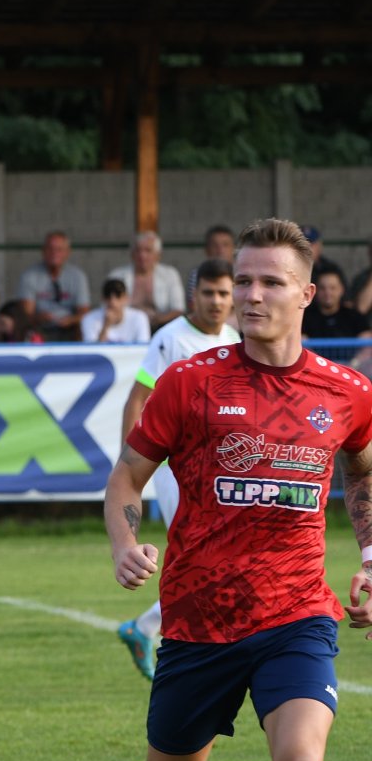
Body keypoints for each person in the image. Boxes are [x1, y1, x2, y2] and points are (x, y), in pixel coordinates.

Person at [64, 218, 372, 761]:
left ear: (308, 293)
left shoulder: (347, 393)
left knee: (303, 760)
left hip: (298, 612)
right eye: (245, 280)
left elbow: (364, 481)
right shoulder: (193, 382)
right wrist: (126, 539)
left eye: (271, 282)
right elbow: (126, 476)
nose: (252, 294)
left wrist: (370, 560)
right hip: (200, 621)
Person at [110, 258, 242, 682]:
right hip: (174, 466)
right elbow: (138, 396)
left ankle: (145, 628)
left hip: (222, 469)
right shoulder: (171, 339)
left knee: (218, 557)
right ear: (194, 295)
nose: (217, 301)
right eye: (209, 293)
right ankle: (179, 640)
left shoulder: (236, 337)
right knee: (201, 555)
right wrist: (128, 460)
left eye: (224, 293)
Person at [17, 231, 91, 339]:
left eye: (59, 249)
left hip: (70, 328)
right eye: (50, 249)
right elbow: (25, 314)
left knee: (84, 326)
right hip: (39, 329)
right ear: (43, 251)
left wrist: (70, 320)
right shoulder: (29, 276)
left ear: (67, 252)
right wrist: (39, 318)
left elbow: (84, 312)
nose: (54, 253)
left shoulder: (78, 276)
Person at [107, 232, 185, 330]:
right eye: (138, 250)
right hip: (126, 330)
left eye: (148, 250)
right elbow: (107, 308)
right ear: (132, 254)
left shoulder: (170, 275)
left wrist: (159, 319)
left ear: (158, 255)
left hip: (161, 328)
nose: (142, 255)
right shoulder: (116, 276)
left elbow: (178, 310)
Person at [80, 278, 152, 344]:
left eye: (118, 296)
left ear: (126, 298)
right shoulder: (89, 319)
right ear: (102, 298)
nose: (113, 302)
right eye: (108, 296)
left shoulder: (139, 318)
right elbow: (92, 353)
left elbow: (143, 349)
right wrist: (106, 326)